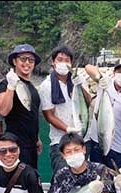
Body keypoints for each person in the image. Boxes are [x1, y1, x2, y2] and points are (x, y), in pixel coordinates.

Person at [39, 45, 91, 173]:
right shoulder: (47, 85)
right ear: (53, 62)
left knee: (84, 177)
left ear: (71, 63)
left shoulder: (79, 80)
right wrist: (68, 129)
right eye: (59, 59)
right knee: (62, 176)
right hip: (60, 141)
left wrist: (79, 85)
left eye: (67, 60)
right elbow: (49, 115)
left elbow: (88, 102)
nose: (63, 63)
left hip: (83, 139)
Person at [83, 58, 121, 170]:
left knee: (116, 181)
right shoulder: (106, 83)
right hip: (98, 141)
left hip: (119, 147)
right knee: (97, 178)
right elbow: (88, 67)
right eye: (120, 71)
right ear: (114, 73)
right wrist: (99, 77)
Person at [0, 44, 43, 169]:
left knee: (31, 179)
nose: (27, 63)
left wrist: (37, 138)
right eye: (23, 59)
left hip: (32, 145)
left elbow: (31, 114)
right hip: (14, 146)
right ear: (14, 61)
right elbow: (4, 110)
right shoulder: (5, 84)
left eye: (31, 60)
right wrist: (11, 86)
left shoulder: (32, 87)